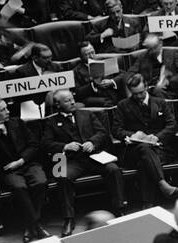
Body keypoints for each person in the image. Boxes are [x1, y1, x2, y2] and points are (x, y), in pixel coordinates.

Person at [40, 89, 128, 233]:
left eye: (72, 98)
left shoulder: (86, 114)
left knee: (114, 169)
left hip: (93, 156)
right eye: (67, 100)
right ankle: (68, 218)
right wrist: (65, 146)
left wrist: (92, 142)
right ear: (58, 104)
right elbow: (45, 144)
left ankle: (119, 209)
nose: (73, 102)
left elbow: (102, 133)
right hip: (69, 160)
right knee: (61, 175)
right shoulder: (51, 121)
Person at [0, 98, 49, 241]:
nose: (8, 111)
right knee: (19, 187)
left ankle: (30, 225)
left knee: (41, 182)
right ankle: (37, 226)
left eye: (6, 108)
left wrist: (20, 161)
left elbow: (34, 145)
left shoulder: (17, 123)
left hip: (27, 164)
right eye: (3, 110)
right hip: (8, 170)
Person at [112, 73, 178, 205]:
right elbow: (116, 129)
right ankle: (162, 184)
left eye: (141, 92)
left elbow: (172, 125)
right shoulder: (123, 105)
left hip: (160, 149)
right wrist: (133, 135)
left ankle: (148, 204)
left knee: (143, 163)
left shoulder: (160, 102)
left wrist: (157, 137)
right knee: (144, 149)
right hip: (134, 151)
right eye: (135, 94)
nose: (138, 97)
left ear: (146, 87)